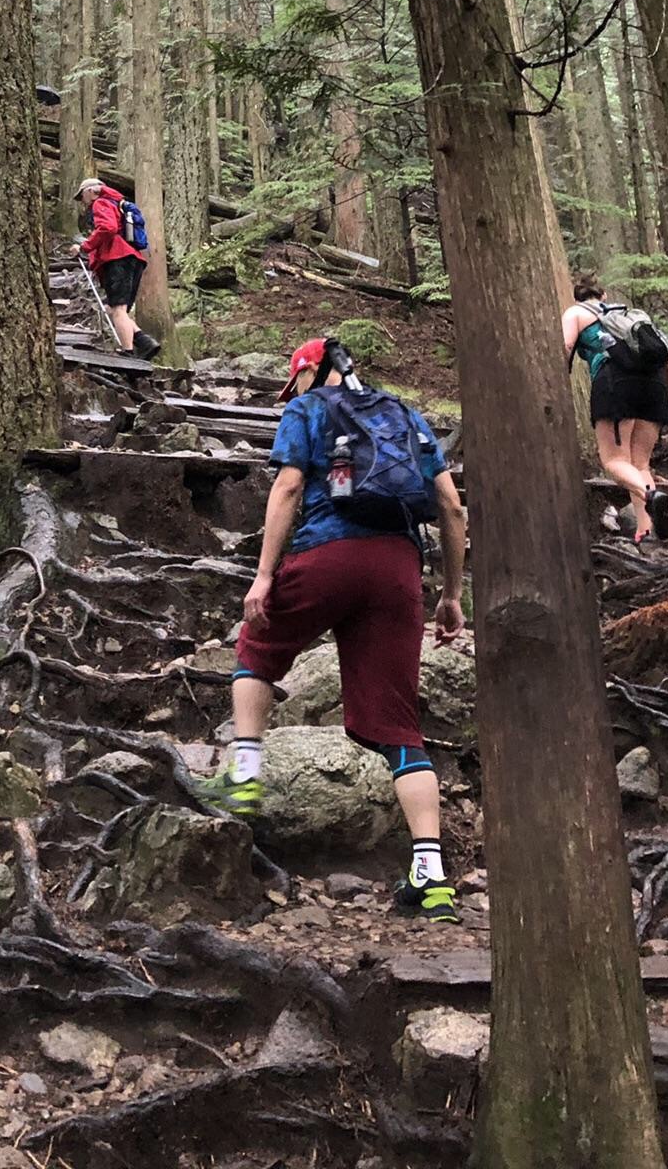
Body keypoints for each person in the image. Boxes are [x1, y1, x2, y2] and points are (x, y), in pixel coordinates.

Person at [198, 336, 469, 925]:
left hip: (329, 553)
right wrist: (449, 594)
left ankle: (243, 779)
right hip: (398, 567)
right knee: (399, 724)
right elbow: (450, 507)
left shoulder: (308, 409)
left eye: (292, 383)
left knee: (258, 647)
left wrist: (264, 575)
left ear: (307, 374)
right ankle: (432, 878)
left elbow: (289, 487)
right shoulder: (403, 413)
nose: (288, 394)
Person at [563, 273, 668, 541]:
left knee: (615, 461)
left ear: (577, 297)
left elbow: (567, 344)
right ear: (603, 295)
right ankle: (647, 530)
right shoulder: (631, 316)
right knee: (639, 464)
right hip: (654, 386)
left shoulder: (575, 313)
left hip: (615, 383)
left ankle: (651, 495)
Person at [67, 177, 159, 359]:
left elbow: (107, 228)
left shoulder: (100, 203)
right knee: (116, 309)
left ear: (90, 191)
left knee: (117, 309)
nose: (82, 201)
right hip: (132, 259)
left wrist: (84, 247)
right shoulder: (116, 203)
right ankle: (144, 341)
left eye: (82, 195)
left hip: (117, 259)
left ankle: (128, 353)